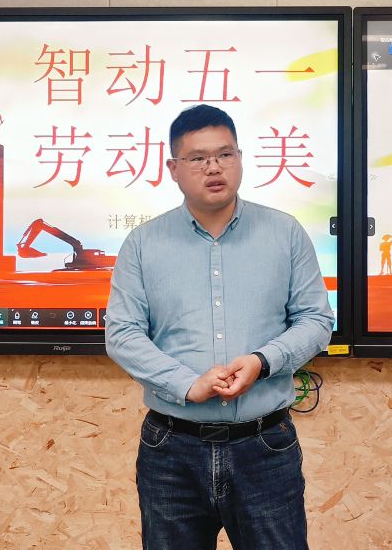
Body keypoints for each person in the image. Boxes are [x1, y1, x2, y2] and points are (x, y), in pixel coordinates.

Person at [105, 104, 334, 550]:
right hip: (172, 451)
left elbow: (316, 319)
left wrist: (262, 362)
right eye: (198, 158)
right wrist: (187, 384)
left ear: (240, 159)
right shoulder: (143, 244)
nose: (214, 167)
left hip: (265, 446)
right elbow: (123, 334)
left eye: (225, 154)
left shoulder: (285, 233)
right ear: (173, 168)